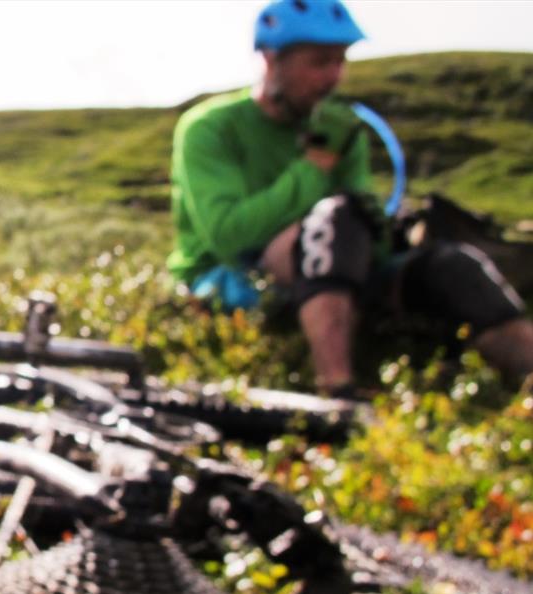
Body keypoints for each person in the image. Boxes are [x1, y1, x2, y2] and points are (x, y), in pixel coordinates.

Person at [167, 0, 533, 396]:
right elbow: (230, 237)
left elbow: (362, 219)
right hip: (239, 278)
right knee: (337, 217)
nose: (333, 77)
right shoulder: (210, 129)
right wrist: (316, 164)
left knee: (452, 264)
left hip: (337, 274)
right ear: (272, 60)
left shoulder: (342, 131)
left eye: (340, 61)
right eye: (319, 62)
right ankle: (338, 389)